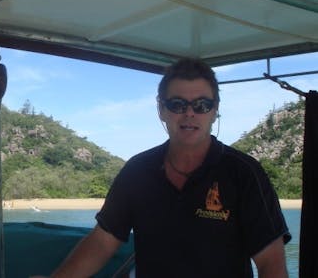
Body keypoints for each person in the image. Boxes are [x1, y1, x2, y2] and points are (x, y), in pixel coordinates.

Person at [45, 59, 291, 277]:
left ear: (215, 111)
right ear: (162, 109)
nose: (189, 114)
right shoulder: (138, 170)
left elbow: (271, 262)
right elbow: (103, 240)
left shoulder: (244, 173)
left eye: (202, 105)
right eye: (177, 104)